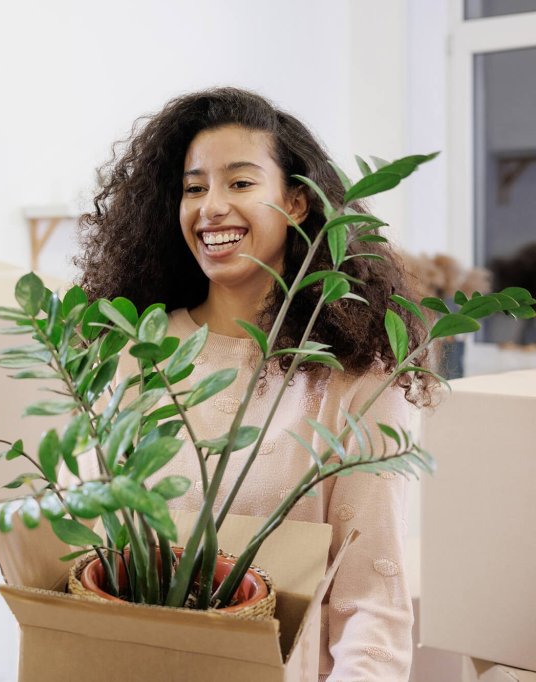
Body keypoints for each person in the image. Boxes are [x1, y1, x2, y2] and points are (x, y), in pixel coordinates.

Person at [76, 87, 434, 681]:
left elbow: (372, 602)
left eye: (240, 183)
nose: (211, 207)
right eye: (194, 188)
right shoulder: (133, 348)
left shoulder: (356, 376)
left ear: (296, 202)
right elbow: (86, 536)